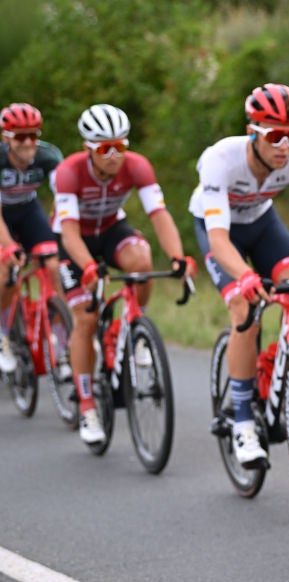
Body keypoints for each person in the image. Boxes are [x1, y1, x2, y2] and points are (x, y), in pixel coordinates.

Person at [54, 103, 196, 446]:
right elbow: (69, 231)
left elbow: (159, 215)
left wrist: (178, 256)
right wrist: (88, 266)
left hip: (111, 228)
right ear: (88, 148)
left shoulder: (137, 166)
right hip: (75, 240)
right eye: (105, 149)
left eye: (121, 145)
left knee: (142, 262)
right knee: (85, 319)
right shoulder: (69, 172)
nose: (115, 155)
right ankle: (87, 405)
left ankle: (133, 322)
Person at [189, 83, 289, 468]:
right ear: (252, 132)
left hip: (261, 223)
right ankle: (242, 418)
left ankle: (280, 367)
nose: (284, 146)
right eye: (275, 135)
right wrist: (244, 276)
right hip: (219, 230)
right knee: (244, 308)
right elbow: (218, 237)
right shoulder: (219, 161)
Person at [0, 103, 64, 373]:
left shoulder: (48, 156)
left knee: (53, 265)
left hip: (28, 210)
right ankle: (2, 334)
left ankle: (62, 341)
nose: (28, 143)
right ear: (6, 138)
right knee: (7, 269)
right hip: (2, 214)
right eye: (20, 136)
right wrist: (10, 247)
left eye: (33, 135)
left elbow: (64, 197)